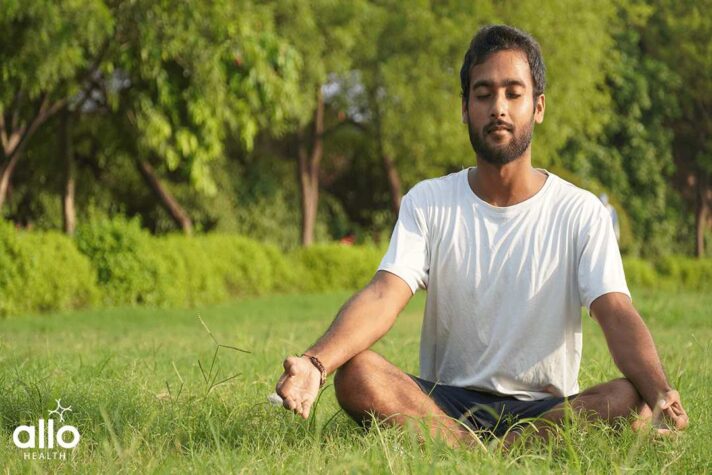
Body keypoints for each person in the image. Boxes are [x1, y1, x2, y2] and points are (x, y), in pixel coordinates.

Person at [274, 25, 688, 446]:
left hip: (545, 408)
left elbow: (615, 310)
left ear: (538, 106)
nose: (499, 108)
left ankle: (497, 450)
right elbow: (384, 295)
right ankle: (469, 449)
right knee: (358, 373)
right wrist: (315, 363)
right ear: (465, 107)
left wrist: (660, 393)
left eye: (513, 93)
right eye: (484, 94)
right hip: (441, 404)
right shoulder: (429, 201)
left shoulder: (581, 212)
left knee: (626, 398)